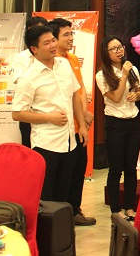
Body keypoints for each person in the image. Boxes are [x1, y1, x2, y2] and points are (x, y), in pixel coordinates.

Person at [11, 25, 88, 203]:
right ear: (34, 49)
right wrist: (48, 117)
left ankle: (67, 220)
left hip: (70, 141)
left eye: (53, 40)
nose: (53, 45)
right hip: (46, 145)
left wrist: (82, 125)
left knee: (65, 194)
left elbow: (74, 96)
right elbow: (17, 113)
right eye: (46, 43)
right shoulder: (28, 78)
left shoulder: (64, 65)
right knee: (47, 199)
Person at [48, 18, 96, 226]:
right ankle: (61, 214)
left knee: (78, 170)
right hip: (60, 129)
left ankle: (75, 210)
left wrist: (84, 116)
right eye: (66, 35)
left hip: (78, 127)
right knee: (62, 174)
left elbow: (80, 90)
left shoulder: (73, 59)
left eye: (71, 34)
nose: (70, 38)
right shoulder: (52, 62)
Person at [95, 36, 140, 220]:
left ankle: (130, 207)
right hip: (115, 123)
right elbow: (115, 98)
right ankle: (115, 209)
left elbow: (139, 90)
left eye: (120, 47)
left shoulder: (132, 69)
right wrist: (123, 75)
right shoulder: (102, 75)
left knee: (131, 167)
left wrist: (137, 95)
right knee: (116, 168)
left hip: (133, 121)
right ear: (106, 54)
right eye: (114, 48)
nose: (119, 50)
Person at [10, 15, 48, 148]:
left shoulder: (57, 58)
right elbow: (19, 80)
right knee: (29, 149)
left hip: (49, 112)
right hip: (28, 112)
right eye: (33, 31)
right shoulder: (21, 57)